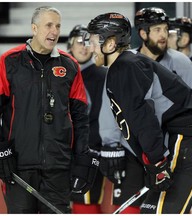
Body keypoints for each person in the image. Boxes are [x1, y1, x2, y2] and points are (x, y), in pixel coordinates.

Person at [85, 11, 192, 213]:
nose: (90, 48)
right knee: (153, 210)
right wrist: (152, 161)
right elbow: (135, 124)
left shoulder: (126, 67)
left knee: (160, 212)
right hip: (184, 140)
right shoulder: (122, 67)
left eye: (94, 41)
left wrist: (157, 162)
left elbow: (143, 117)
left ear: (110, 44)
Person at [0, 6, 99, 213]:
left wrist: (81, 157)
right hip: (18, 166)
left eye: (58, 26)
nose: (54, 31)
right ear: (34, 28)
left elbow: (80, 118)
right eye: (49, 25)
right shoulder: (10, 61)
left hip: (59, 167)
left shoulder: (70, 65)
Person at [67, 24, 108, 214]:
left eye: (88, 43)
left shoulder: (104, 75)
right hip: (61, 149)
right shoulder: (59, 74)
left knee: (85, 201)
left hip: (90, 150)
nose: (83, 47)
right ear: (70, 46)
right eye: (78, 42)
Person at [134, 7, 192, 105]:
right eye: (157, 30)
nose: (163, 35)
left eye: (166, 29)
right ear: (143, 34)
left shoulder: (182, 62)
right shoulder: (128, 61)